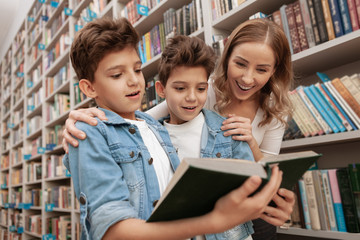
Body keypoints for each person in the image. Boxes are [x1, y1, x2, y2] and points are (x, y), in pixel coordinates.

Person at [63, 18, 294, 239]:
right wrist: (78, 118)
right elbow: (138, 120)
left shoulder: (154, 127)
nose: (134, 81)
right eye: (117, 75)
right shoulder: (198, 94)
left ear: (274, 71)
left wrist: (272, 200)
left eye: (137, 69)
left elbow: (262, 180)